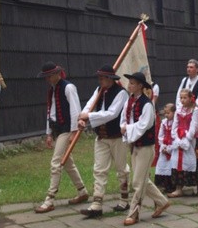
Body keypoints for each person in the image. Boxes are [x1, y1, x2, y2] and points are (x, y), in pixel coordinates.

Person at [35, 62, 88, 214]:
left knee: (56, 162)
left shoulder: (68, 87)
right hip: (58, 130)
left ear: (58, 74)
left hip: (66, 129)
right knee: (68, 163)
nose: (48, 79)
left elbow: (75, 110)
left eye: (50, 76)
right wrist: (49, 133)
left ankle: (50, 199)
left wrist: (73, 132)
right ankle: (82, 191)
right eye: (46, 76)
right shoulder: (51, 90)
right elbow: (49, 112)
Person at [78, 65, 130, 218]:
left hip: (117, 138)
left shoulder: (121, 93)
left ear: (109, 78)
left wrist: (89, 117)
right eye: (99, 78)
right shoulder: (99, 90)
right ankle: (97, 203)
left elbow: (111, 114)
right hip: (101, 137)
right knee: (99, 169)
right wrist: (83, 117)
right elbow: (90, 104)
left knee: (121, 169)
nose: (99, 80)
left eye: (102, 78)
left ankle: (124, 199)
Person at [120, 72, 170, 226]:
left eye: (133, 83)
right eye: (130, 83)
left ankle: (134, 213)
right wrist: (125, 128)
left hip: (146, 147)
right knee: (142, 180)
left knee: (137, 182)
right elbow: (124, 118)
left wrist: (127, 129)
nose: (130, 86)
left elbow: (144, 125)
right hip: (134, 145)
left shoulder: (147, 104)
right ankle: (162, 201)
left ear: (141, 86)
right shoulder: (129, 102)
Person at [176, 59, 198, 193]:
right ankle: (180, 184)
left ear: (197, 69)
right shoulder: (184, 81)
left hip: (194, 117)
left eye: (191, 67)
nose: (188, 69)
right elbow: (178, 97)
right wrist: (180, 110)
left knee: (195, 148)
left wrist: (190, 109)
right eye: (187, 67)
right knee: (180, 151)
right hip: (182, 118)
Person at [168, 89, 198, 197]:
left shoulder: (195, 110)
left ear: (190, 98)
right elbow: (175, 124)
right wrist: (176, 136)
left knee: (194, 162)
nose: (182, 100)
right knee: (178, 162)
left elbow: (195, 125)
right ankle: (179, 188)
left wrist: (187, 137)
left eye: (185, 98)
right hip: (179, 139)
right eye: (181, 98)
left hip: (190, 140)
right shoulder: (179, 110)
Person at [154, 103, 175, 194]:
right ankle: (163, 184)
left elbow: (176, 136)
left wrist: (170, 148)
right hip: (164, 147)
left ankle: (171, 186)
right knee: (162, 165)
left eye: (168, 113)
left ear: (174, 112)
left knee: (171, 166)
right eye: (165, 113)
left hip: (173, 148)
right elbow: (160, 135)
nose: (166, 115)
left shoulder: (176, 123)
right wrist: (162, 145)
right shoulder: (164, 123)